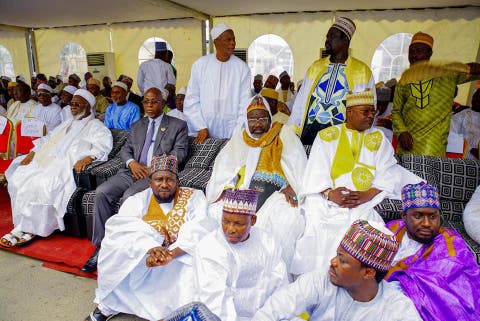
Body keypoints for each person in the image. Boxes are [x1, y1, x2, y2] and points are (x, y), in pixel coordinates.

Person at [292, 90, 422, 275]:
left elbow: (388, 171)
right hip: (328, 198)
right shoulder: (326, 135)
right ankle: (317, 278)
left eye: (373, 112)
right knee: (318, 224)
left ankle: (351, 278)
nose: (371, 116)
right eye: (365, 111)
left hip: (365, 201)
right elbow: (316, 170)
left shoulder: (379, 138)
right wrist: (329, 193)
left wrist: (366, 195)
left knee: (362, 227)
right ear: (349, 112)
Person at [87, 154, 212, 321]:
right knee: (115, 245)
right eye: (159, 179)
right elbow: (121, 229)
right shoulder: (137, 201)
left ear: (178, 181)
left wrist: (171, 254)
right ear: (150, 182)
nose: (165, 185)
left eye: (170, 180)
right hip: (145, 257)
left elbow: (200, 227)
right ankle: (109, 305)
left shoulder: (194, 197)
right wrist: (150, 247)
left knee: (200, 257)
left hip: (179, 256)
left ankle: (177, 314)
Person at [82, 87, 188, 273]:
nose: (148, 105)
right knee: (101, 193)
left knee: (129, 197)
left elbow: (179, 153)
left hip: (154, 176)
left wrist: (155, 168)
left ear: (163, 104)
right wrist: (132, 163)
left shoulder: (177, 125)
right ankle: (101, 247)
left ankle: (125, 248)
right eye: (145, 101)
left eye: (153, 101)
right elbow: (126, 149)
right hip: (131, 171)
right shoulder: (138, 125)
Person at [0, 89, 112, 248]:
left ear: (88, 106)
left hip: (65, 165)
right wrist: (32, 153)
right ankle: (22, 225)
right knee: (20, 177)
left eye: (77, 104)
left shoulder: (96, 126)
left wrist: (89, 157)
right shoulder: (67, 123)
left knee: (44, 184)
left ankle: (34, 228)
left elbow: (104, 145)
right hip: (46, 160)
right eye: (72, 103)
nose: (72, 107)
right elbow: (47, 139)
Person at [206, 95, 307, 269]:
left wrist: (293, 186)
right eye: (253, 120)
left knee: (288, 219)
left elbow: (298, 168)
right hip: (241, 192)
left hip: (277, 193)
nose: (258, 124)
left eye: (262, 119)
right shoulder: (240, 139)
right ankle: (226, 266)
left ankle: (273, 269)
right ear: (246, 121)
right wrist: (226, 189)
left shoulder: (284, 134)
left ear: (270, 118)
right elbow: (225, 171)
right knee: (214, 211)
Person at [252, 220, 421, 321]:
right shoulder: (323, 279)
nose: (333, 262)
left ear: (368, 272)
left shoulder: (397, 309)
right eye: (337, 255)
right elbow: (274, 309)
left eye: (343, 260)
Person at [386, 182, 480, 321]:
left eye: (432, 216)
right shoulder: (391, 229)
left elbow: (443, 282)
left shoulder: (449, 241)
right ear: (404, 216)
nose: (426, 223)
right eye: (418, 216)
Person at [194, 188, 288, 320]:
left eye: (239, 223)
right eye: (226, 221)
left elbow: (280, 285)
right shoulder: (210, 247)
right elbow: (215, 301)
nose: (230, 229)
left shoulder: (267, 242)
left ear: (253, 221)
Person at [392, 31, 480, 157]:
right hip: (407, 145)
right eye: (412, 51)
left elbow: (473, 70)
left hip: (434, 146)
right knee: (405, 176)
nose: (414, 55)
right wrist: (402, 132)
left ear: (430, 53)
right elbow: (396, 111)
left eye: (419, 50)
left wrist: (470, 67)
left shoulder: (447, 74)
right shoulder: (404, 80)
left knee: (428, 176)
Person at [288, 17, 375, 145]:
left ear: (345, 39)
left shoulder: (362, 71)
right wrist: (292, 130)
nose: (326, 41)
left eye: (332, 37)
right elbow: (300, 103)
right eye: (327, 37)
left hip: (342, 141)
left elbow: (368, 111)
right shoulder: (315, 67)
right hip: (309, 138)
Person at [184, 23, 251, 143]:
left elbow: (245, 104)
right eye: (228, 39)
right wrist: (200, 126)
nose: (233, 43)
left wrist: (236, 134)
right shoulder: (200, 65)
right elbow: (191, 100)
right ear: (216, 42)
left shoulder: (242, 68)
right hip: (204, 133)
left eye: (234, 39)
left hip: (231, 133)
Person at [450, 88, 480, 158]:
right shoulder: (461, 115)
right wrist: (471, 149)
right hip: (462, 158)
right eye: (476, 96)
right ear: (472, 98)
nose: (478, 100)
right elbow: (453, 140)